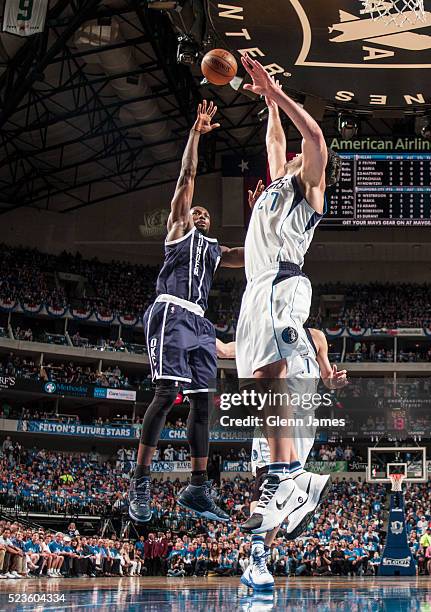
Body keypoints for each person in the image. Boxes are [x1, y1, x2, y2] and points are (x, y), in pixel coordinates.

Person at [234, 54, 343, 541]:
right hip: (257, 286)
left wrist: (278, 93)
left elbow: (315, 138)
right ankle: (287, 475)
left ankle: (286, 477)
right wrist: (267, 105)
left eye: (299, 156)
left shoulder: (309, 186)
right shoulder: (279, 181)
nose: (292, 154)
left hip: (283, 281)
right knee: (261, 382)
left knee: (274, 374)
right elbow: (275, 141)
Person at [128, 101, 245, 523]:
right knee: (164, 395)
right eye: (197, 210)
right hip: (170, 312)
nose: (200, 213)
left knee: (202, 403)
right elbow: (187, 176)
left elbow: (254, 254)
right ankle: (139, 485)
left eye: (206, 214)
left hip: (199, 321)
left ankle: (197, 487)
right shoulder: (179, 230)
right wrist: (196, 133)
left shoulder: (216, 251)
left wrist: (268, 218)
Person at [218, 327, 346, 590]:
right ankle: (257, 558)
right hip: (276, 415)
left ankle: (259, 558)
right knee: (267, 481)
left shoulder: (316, 337)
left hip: (305, 422)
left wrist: (334, 381)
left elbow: (327, 377)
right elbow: (226, 350)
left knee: (282, 494)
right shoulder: (266, 331)